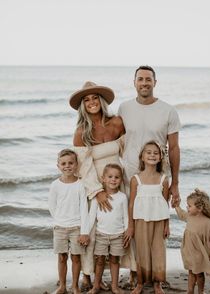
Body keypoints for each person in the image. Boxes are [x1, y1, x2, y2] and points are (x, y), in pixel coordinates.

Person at [69, 81, 128, 290]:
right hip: (94, 185)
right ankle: (88, 275)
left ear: (101, 101)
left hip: (117, 181)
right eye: (86, 100)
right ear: (82, 106)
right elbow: (83, 167)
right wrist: (98, 192)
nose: (91, 102)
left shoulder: (117, 122)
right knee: (92, 231)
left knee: (116, 227)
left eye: (94, 98)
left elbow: (128, 151)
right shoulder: (81, 131)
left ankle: (119, 272)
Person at [118, 65, 181, 207]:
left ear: (155, 82)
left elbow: (174, 148)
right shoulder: (124, 108)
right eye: (140, 79)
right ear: (134, 82)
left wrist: (175, 183)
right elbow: (119, 140)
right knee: (131, 222)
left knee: (157, 219)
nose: (144, 83)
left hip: (157, 176)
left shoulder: (168, 111)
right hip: (130, 175)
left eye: (148, 79)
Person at [125, 140, 170, 294]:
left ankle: (157, 283)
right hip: (140, 220)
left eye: (155, 153)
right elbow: (131, 204)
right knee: (142, 251)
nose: (152, 155)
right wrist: (130, 226)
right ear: (142, 157)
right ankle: (140, 282)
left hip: (159, 220)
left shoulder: (164, 179)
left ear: (160, 158)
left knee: (158, 250)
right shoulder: (135, 179)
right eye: (148, 152)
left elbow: (165, 204)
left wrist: (167, 225)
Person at [48, 149, 90, 294]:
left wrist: (84, 231)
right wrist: (59, 219)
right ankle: (62, 286)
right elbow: (52, 206)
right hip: (60, 227)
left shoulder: (80, 184)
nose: (67, 166)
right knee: (61, 257)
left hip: (77, 227)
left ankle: (75, 286)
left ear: (76, 164)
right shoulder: (55, 185)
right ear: (58, 165)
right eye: (63, 163)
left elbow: (84, 208)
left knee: (76, 258)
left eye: (70, 163)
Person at [88, 164, 128, 294]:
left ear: (121, 180)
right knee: (99, 260)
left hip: (118, 234)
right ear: (103, 178)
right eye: (110, 176)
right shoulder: (97, 198)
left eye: (117, 177)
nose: (113, 179)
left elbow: (126, 216)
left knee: (114, 260)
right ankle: (96, 286)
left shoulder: (122, 197)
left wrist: (127, 231)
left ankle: (115, 286)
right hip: (101, 234)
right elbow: (91, 217)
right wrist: (85, 233)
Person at [175, 188, 210, 294]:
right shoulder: (190, 216)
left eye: (190, 206)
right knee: (191, 271)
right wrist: (176, 206)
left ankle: (201, 291)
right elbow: (181, 214)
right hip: (189, 251)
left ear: (199, 208)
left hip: (200, 253)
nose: (187, 208)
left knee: (199, 273)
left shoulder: (207, 222)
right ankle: (190, 290)